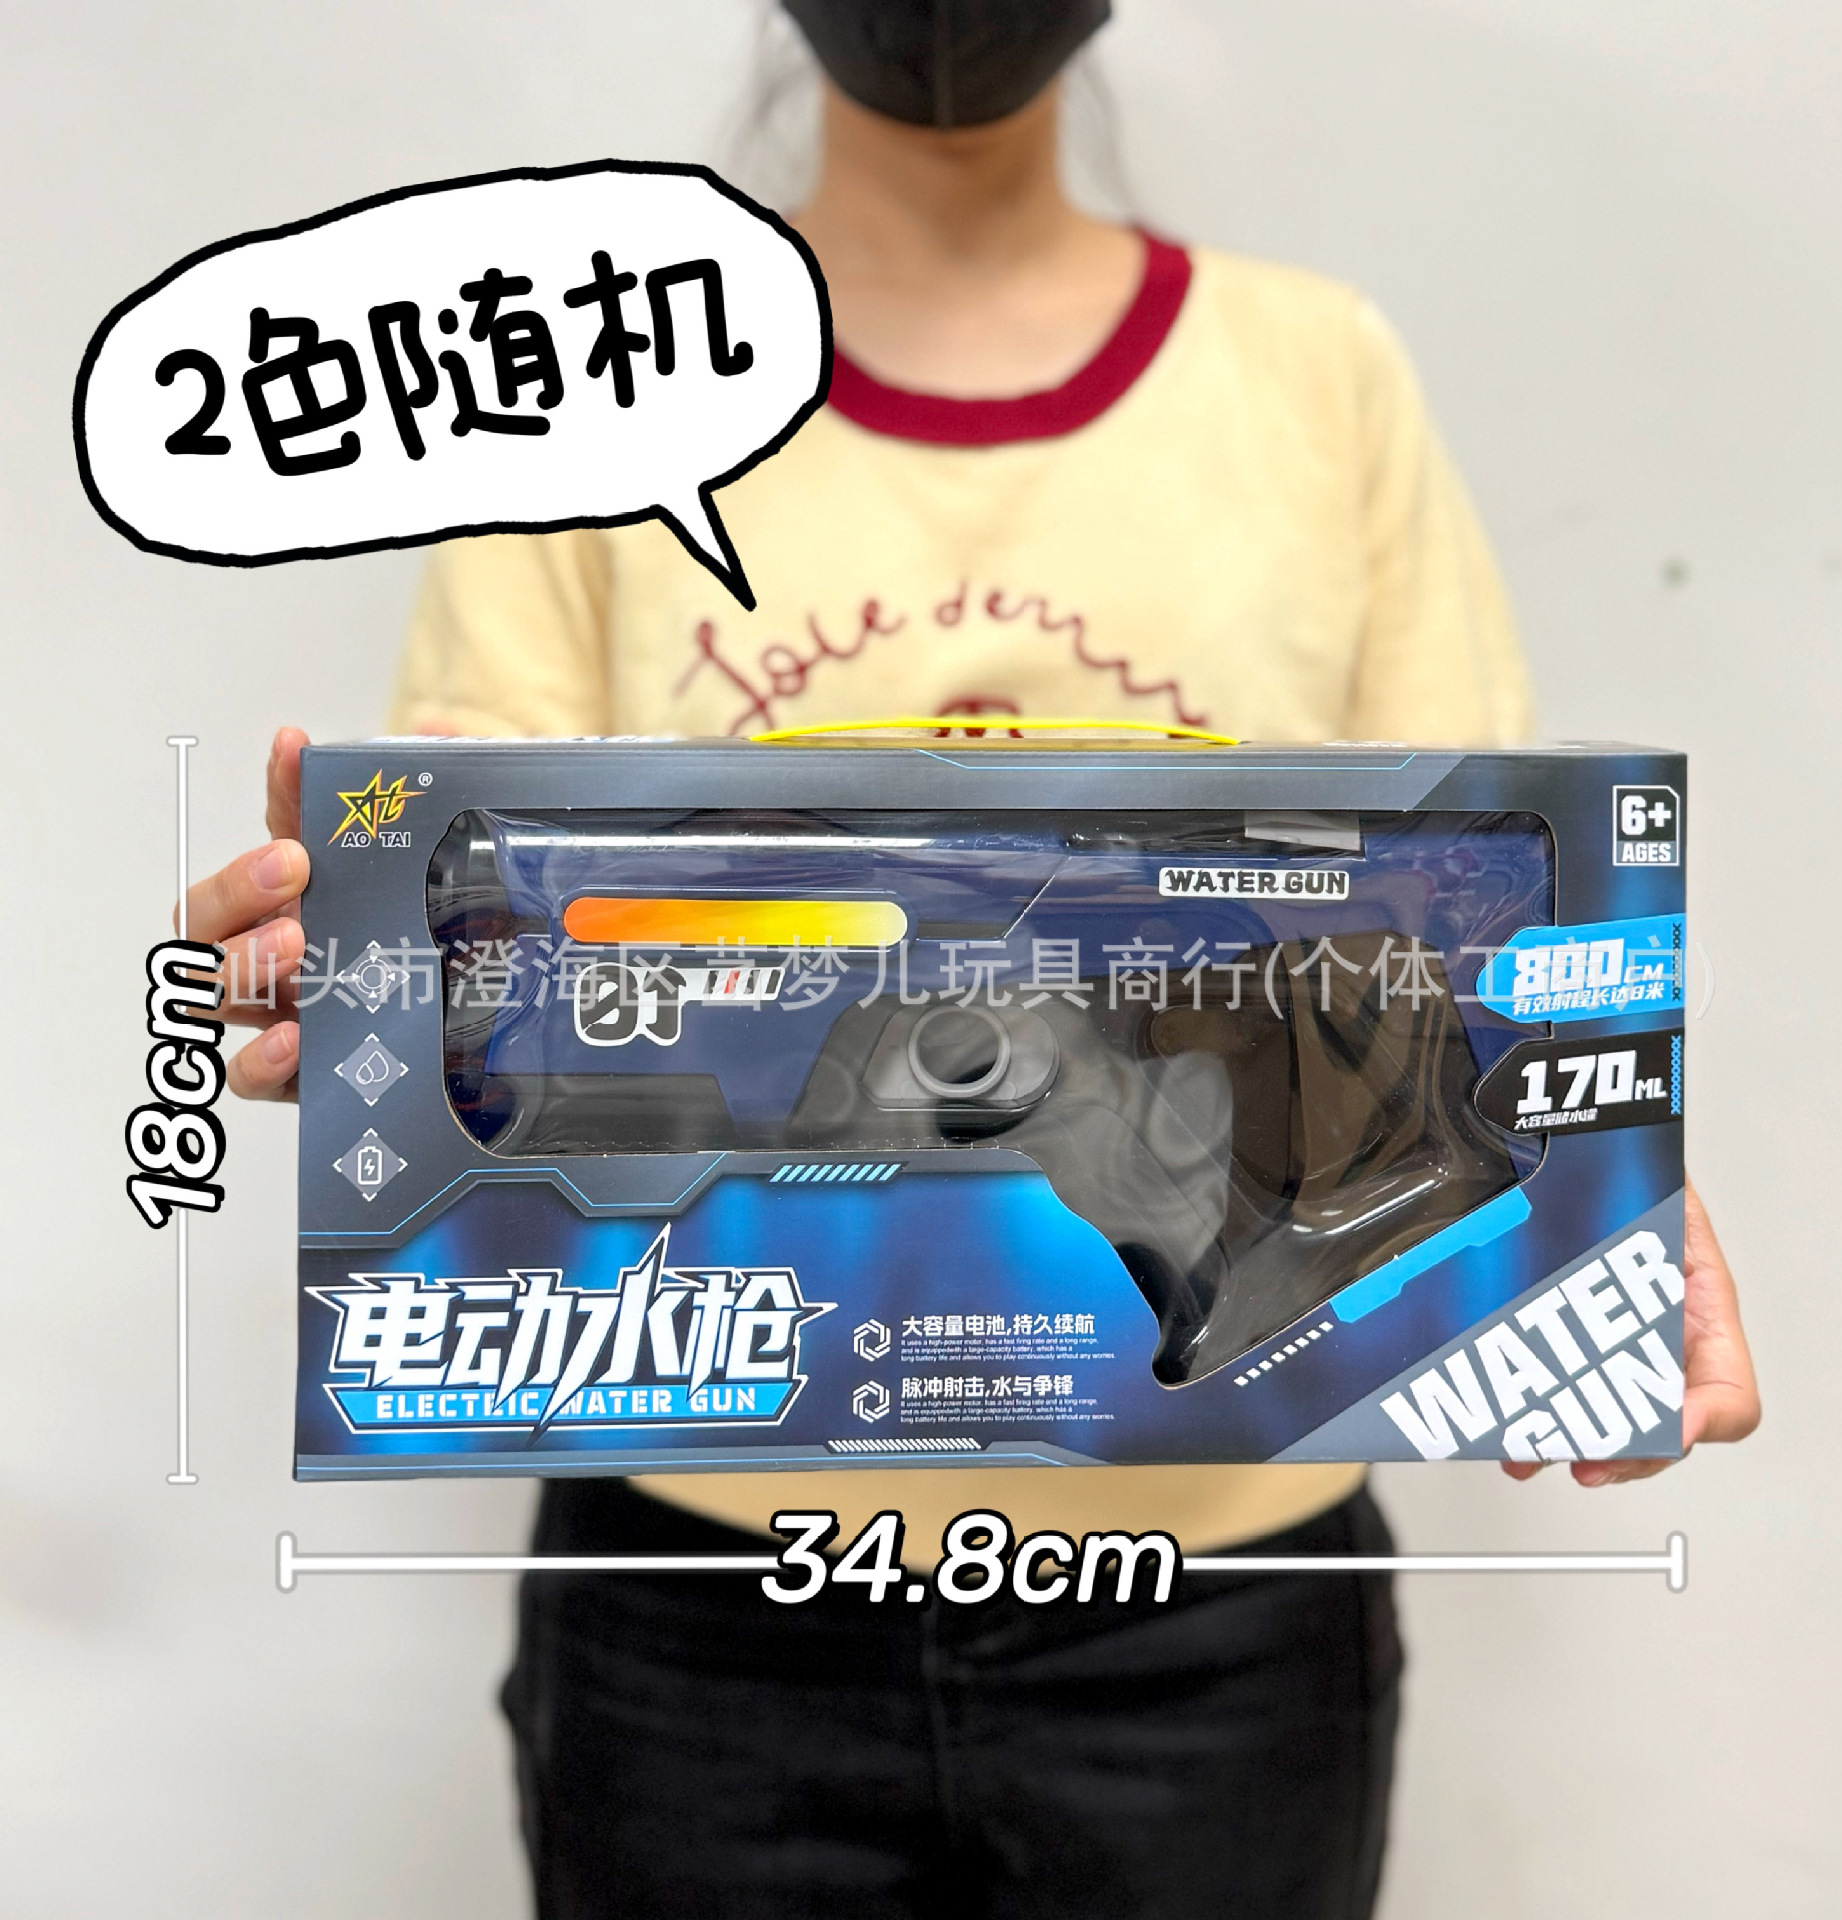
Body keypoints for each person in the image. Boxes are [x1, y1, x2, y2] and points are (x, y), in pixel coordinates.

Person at [190, 4, 1760, 1913]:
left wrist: (1609, 1214)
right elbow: (458, 932)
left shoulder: (1317, 375)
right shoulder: (594, 402)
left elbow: (1501, 927)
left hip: (1221, 1587)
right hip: (698, 1589)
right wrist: (336, 969)